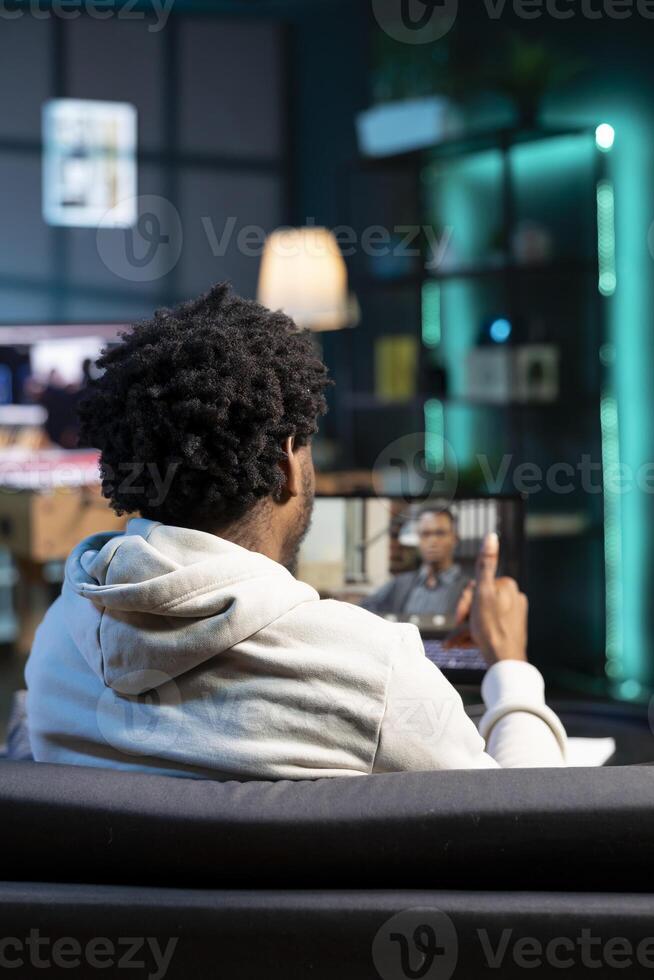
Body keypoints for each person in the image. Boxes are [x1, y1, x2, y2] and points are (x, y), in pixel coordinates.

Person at [25, 283, 567, 779]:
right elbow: (528, 819)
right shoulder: (373, 668)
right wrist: (511, 667)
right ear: (288, 462)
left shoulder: (58, 642)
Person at [361, 507, 468, 619]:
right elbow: (364, 608)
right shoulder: (401, 585)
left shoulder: (466, 590)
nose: (432, 541)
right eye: (425, 534)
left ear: (454, 538)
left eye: (440, 533)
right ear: (418, 538)